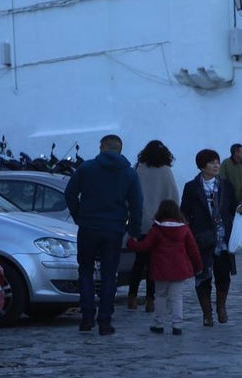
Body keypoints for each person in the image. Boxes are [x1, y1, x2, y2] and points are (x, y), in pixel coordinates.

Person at [64, 134, 143, 336]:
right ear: (120, 149)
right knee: (109, 275)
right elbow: (137, 205)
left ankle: (87, 317)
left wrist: (78, 215)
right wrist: (133, 230)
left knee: (86, 272)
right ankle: (105, 320)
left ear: (102, 147)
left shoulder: (86, 168)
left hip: (89, 226)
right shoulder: (129, 173)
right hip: (114, 228)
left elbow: (70, 193)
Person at [180, 149, 242, 326]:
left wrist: (240, 210)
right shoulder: (191, 187)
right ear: (202, 166)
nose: (216, 165)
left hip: (223, 239)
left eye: (217, 161)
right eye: (211, 162)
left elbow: (234, 206)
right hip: (201, 239)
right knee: (202, 276)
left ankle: (221, 307)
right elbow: (184, 211)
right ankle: (206, 313)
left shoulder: (225, 185)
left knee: (223, 275)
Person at [127, 199, 202, 336]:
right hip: (179, 269)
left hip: (161, 269)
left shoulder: (157, 230)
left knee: (160, 296)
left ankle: (159, 324)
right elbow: (193, 250)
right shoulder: (184, 229)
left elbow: (145, 246)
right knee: (177, 297)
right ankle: (177, 325)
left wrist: (132, 243)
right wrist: (198, 266)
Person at [128, 140, 180, 311]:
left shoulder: (139, 169)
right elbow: (173, 197)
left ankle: (132, 296)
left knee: (139, 261)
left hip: (141, 222)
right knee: (153, 264)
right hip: (160, 224)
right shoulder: (166, 171)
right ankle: (150, 299)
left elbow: (132, 195)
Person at [219, 143, 242, 213]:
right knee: (230, 222)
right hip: (229, 202)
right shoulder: (226, 163)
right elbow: (221, 181)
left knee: (241, 222)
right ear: (236, 152)